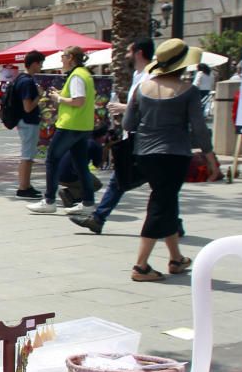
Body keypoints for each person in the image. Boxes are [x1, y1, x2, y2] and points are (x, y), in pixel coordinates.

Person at [122, 38, 218, 282]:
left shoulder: (141, 89)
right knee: (160, 205)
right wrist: (210, 158)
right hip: (174, 154)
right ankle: (140, 266)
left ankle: (176, 258)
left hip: (144, 154)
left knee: (167, 201)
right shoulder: (189, 92)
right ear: (183, 65)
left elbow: (128, 124)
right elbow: (199, 129)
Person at [70, 38, 155, 234]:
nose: (125, 55)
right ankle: (98, 219)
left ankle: (98, 219)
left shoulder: (150, 77)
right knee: (123, 179)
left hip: (145, 139)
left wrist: (124, 108)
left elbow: (151, 107)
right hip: (134, 136)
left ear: (138, 52)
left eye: (128, 51)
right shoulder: (138, 74)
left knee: (134, 181)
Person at [27, 46, 97, 215]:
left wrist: (58, 98)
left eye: (63, 56)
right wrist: (61, 95)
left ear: (71, 58)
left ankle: (49, 200)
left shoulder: (76, 76)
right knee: (80, 165)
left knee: (52, 159)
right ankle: (88, 203)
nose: (61, 59)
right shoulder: (85, 74)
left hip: (70, 125)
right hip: (83, 126)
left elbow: (78, 101)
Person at [15, 50, 44, 198]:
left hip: (24, 122)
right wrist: (39, 95)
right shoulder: (27, 82)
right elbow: (28, 107)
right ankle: (23, 187)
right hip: (28, 122)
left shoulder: (20, 78)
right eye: (40, 63)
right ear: (34, 64)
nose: (41, 67)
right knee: (27, 156)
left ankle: (25, 185)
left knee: (28, 155)